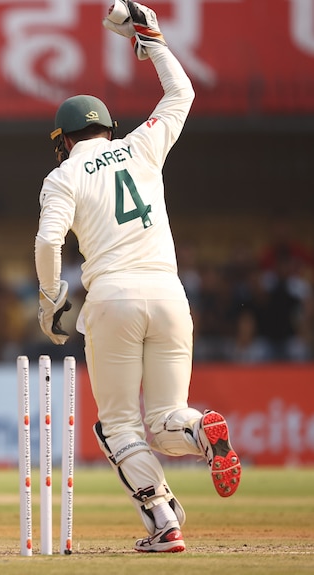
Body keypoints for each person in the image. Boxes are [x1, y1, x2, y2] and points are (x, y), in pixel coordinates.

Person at [33, 1, 241, 553]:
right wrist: (149, 34)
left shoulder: (62, 176)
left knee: (118, 426)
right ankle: (200, 430)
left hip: (114, 299)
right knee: (169, 417)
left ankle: (163, 523)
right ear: (107, 127)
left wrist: (52, 300)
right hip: (170, 294)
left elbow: (47, 242)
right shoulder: (142, 145)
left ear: (66, 138)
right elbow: (182, 95)